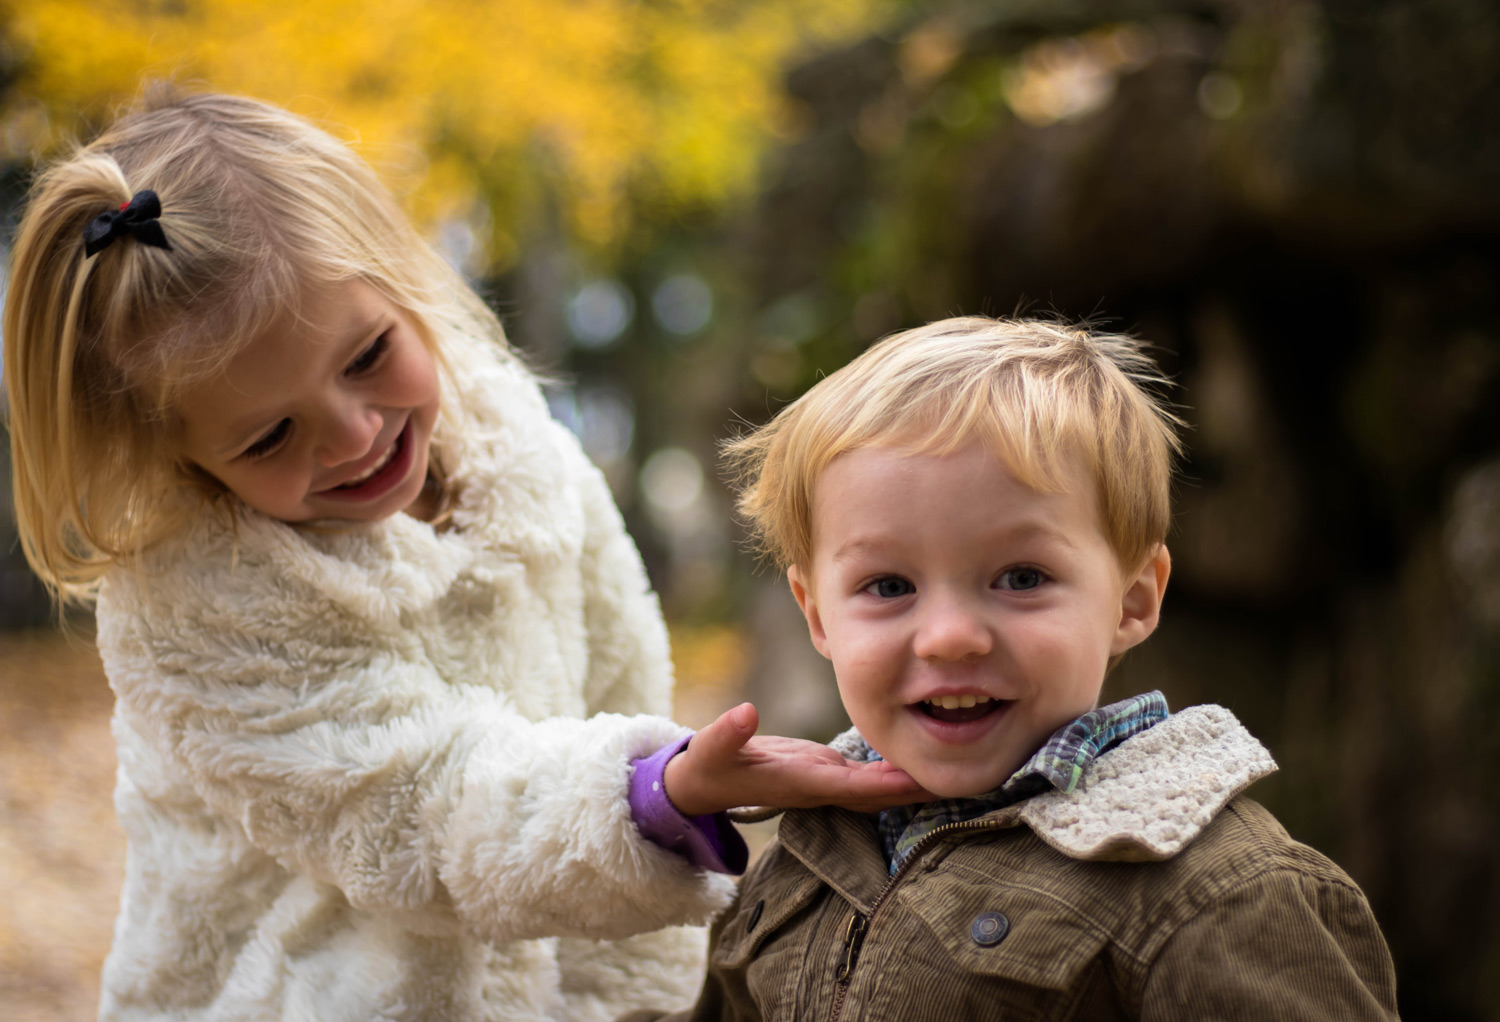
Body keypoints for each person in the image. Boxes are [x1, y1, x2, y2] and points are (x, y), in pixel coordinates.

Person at [1, 88, 923, 1022]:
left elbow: (618, 670)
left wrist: (631, 986)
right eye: (271, 436)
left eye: (366, 355)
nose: (354, 436)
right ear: (181, 456)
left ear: (406, 282)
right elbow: (415, 815)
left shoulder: (516, 452)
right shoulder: (196, 602)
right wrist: (652, 797)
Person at [623, 317, 1401, 1020]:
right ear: (818, 614)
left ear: (1131, 601)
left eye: (1021, 578)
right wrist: (657, 802)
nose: (951, 638)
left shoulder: (1219, 894)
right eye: (889, 587)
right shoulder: (808, 851)